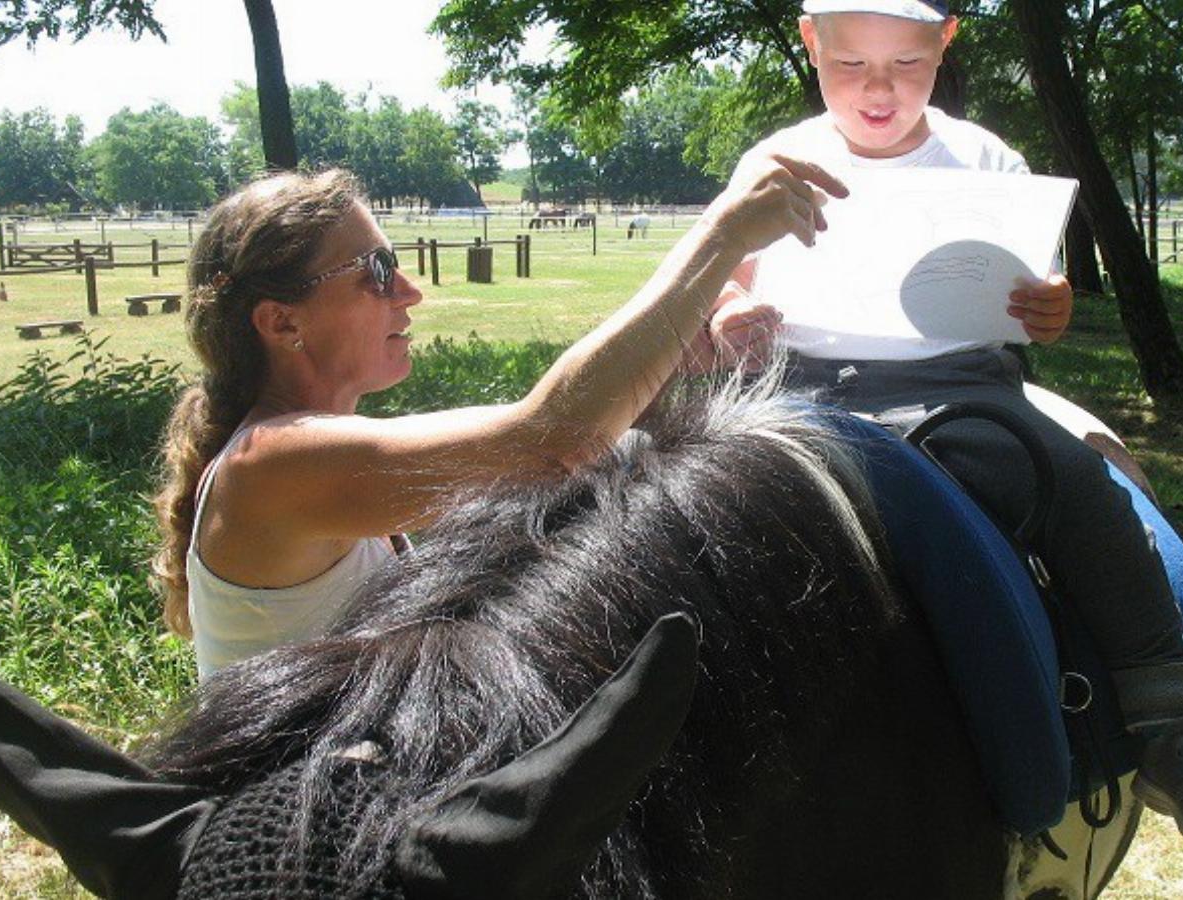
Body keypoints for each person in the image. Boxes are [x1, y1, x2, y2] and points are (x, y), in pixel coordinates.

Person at [701, 0, 1183, 842]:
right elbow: (727, 275)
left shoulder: (983, 159)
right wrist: (728, 314)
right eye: (851, 64)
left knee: (1075, 485)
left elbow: (1037, 289)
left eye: (907, 65)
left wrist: (1049, 307)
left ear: (946, 44)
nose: (879, 89)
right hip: (804, 386)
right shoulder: (775, 160)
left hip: (960, 383)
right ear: (812, 43)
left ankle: (1176, 728)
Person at [152, 161, 845, 680]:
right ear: (281, 321)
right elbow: (549, 443)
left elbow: (548, 461)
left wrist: (661, 363)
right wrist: (720, 234)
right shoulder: (269, 466)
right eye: (375, 269)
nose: (410, 290)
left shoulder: (301, 460)